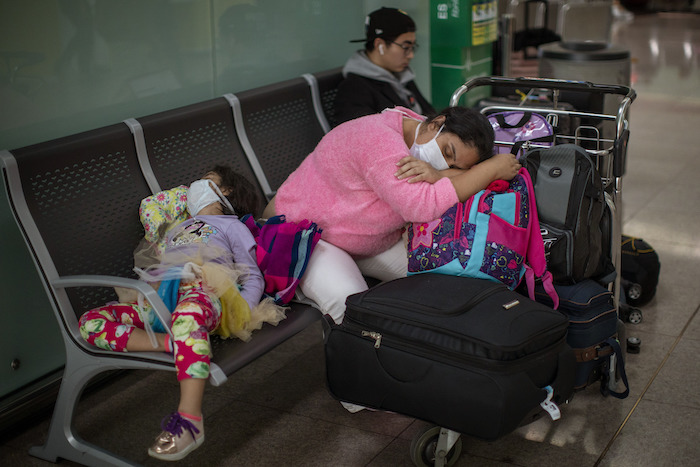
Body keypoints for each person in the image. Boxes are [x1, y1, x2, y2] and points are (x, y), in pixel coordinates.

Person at [79, 166, 284, 461]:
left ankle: (189, 420)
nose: (195, 184)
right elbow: (152, 210)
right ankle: (175, 343)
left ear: (225, 191)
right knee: (90, 322)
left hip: (205, 295)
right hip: (160, 299)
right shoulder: (177, 227)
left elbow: (252, 275)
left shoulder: (231, 225)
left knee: (188, 314)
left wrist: (242, 311)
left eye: (206, 179)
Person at [263, 106, 520, 324]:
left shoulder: (418, 133)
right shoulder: (377, 139)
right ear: (437, 124)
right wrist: (490, 170)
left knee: (446, 280)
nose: (444, 163)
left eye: (454, 165)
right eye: (447, 152)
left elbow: (450, 182)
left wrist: (440, 174)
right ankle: (364, 373)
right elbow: (419, 206)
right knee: (353, 307)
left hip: (367, 239)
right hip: (306, 236)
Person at [333, 7, 435, 126]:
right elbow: (363, 136)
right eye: (406, 47)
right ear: (380, 45)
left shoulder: (401, 75)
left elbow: (429, 113)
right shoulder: (354, 89)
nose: (411, 55)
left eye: (413, 47)